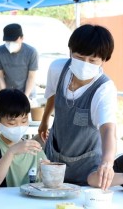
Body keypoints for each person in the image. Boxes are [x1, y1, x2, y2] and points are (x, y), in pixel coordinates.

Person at [38, 24, 117, 189]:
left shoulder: (104, 89)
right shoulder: (58, 68)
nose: (85, 64)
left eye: (92, 60)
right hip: (55, 157)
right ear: (70, 52)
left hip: (88, 168)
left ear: (104, 60)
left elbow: (108, 129)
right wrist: (44, 120)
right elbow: (53, 94)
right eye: (79, 58)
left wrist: (107, 163)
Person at [0, 89, 46, 188]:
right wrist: (11, 152)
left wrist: (48, 171)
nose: (19, 127)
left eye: (24, 121)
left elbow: (45, 184)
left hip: (26, 203)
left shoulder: (33, 148)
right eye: (12, 123)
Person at [0, 23, 38, 99]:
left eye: (14, 41)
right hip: (9, 93)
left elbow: (31, 76)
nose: (10, 44)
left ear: (22, 38)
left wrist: (26, 96)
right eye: (8, 42)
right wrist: (5, 94)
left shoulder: (31, 52)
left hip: (28, 93)